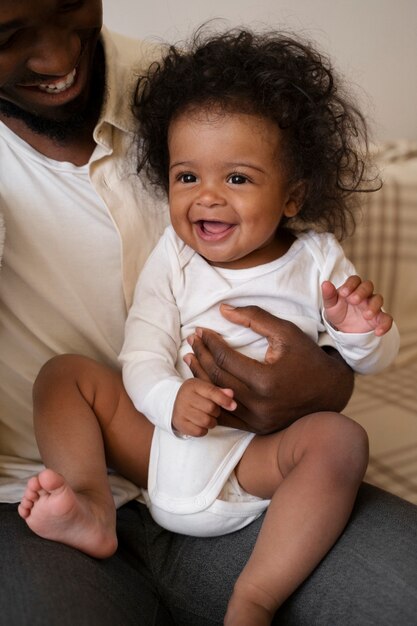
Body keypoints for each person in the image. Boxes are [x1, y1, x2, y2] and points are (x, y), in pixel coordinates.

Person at [0, 2, 416, 624]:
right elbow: (141, 351)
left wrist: (350, 349)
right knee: (65, 375)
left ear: (293, 193)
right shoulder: (176, 255)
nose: (208, 196)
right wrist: (169, 400)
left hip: (253, 465)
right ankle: (86, 502)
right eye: (185, 176)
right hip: (138, 447)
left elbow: (375, 349)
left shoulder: (199, 100)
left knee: (342, 448)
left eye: (239, 179)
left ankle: (255, 597)